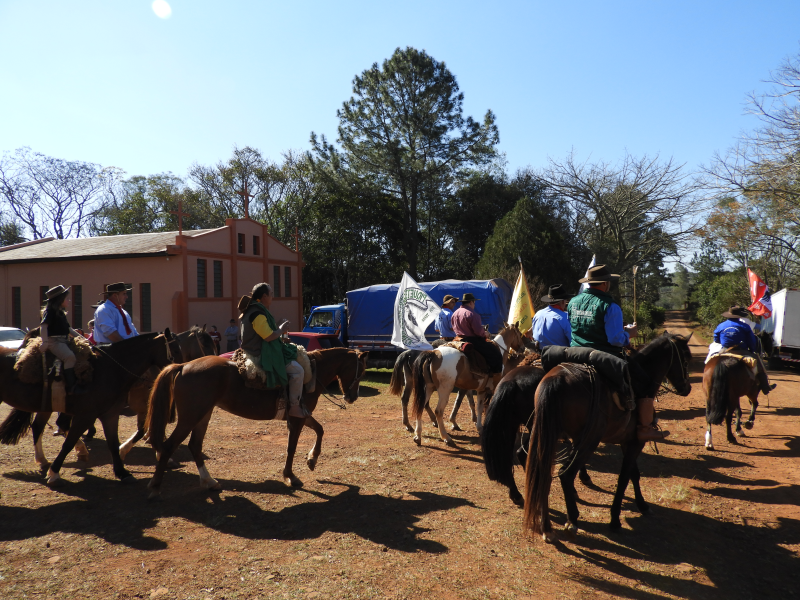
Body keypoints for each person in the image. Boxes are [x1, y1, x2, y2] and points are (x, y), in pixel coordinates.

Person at [567, 264, 666, 442]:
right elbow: (615, 339)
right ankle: (645, 428)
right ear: (605, 283)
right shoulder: (610, 306)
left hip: (574, 353)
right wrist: (629, 334)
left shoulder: (573, 302)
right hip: (603, 355)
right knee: (645, 381)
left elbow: (575, 328)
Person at [240, 283, 306, 418]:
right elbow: (269, 337)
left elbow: (266, 333)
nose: (272, 297)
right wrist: (281, 329)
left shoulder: (254, 309)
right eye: (271, 294)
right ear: (264, 296)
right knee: (298, 371)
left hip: (259, 348)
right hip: (260, 353)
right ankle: (294, 407)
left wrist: (279, 330)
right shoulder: (257, 313)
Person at [713, 305, 776, 394]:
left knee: (711, 360)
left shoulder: (721, 325)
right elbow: (751, 341)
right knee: (759, 365)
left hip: (725, 350)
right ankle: (765, 387)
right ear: (739, 316)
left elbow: (716, 339)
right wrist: (753, 350)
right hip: (741, 351)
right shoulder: (745, 326)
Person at [39, 285, 87, 395]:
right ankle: (71, 386)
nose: (69, 300)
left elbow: (69, 329)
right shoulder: (50, 311)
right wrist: (45, 342)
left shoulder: (61, 313)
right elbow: (44, 326)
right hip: (55, 342)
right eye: (67, 298)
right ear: (59, 299)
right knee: (69, 357)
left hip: (65, 341)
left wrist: (84, 339)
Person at [451, 293, 503, 374]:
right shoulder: (472, 314)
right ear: (471, 302)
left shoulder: (455, 313)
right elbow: (478, 332)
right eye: (474, 302)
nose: (474, 305)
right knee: (495, 353)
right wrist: (485, 334)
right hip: (472, 340)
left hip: (458, 339)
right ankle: (494, 373)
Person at [531, 284, 573, 349]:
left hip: (539, 351)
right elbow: (573, 341)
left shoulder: (537, 314)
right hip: (559, 353)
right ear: (562, 301)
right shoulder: (565, 317)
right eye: (565, 300)